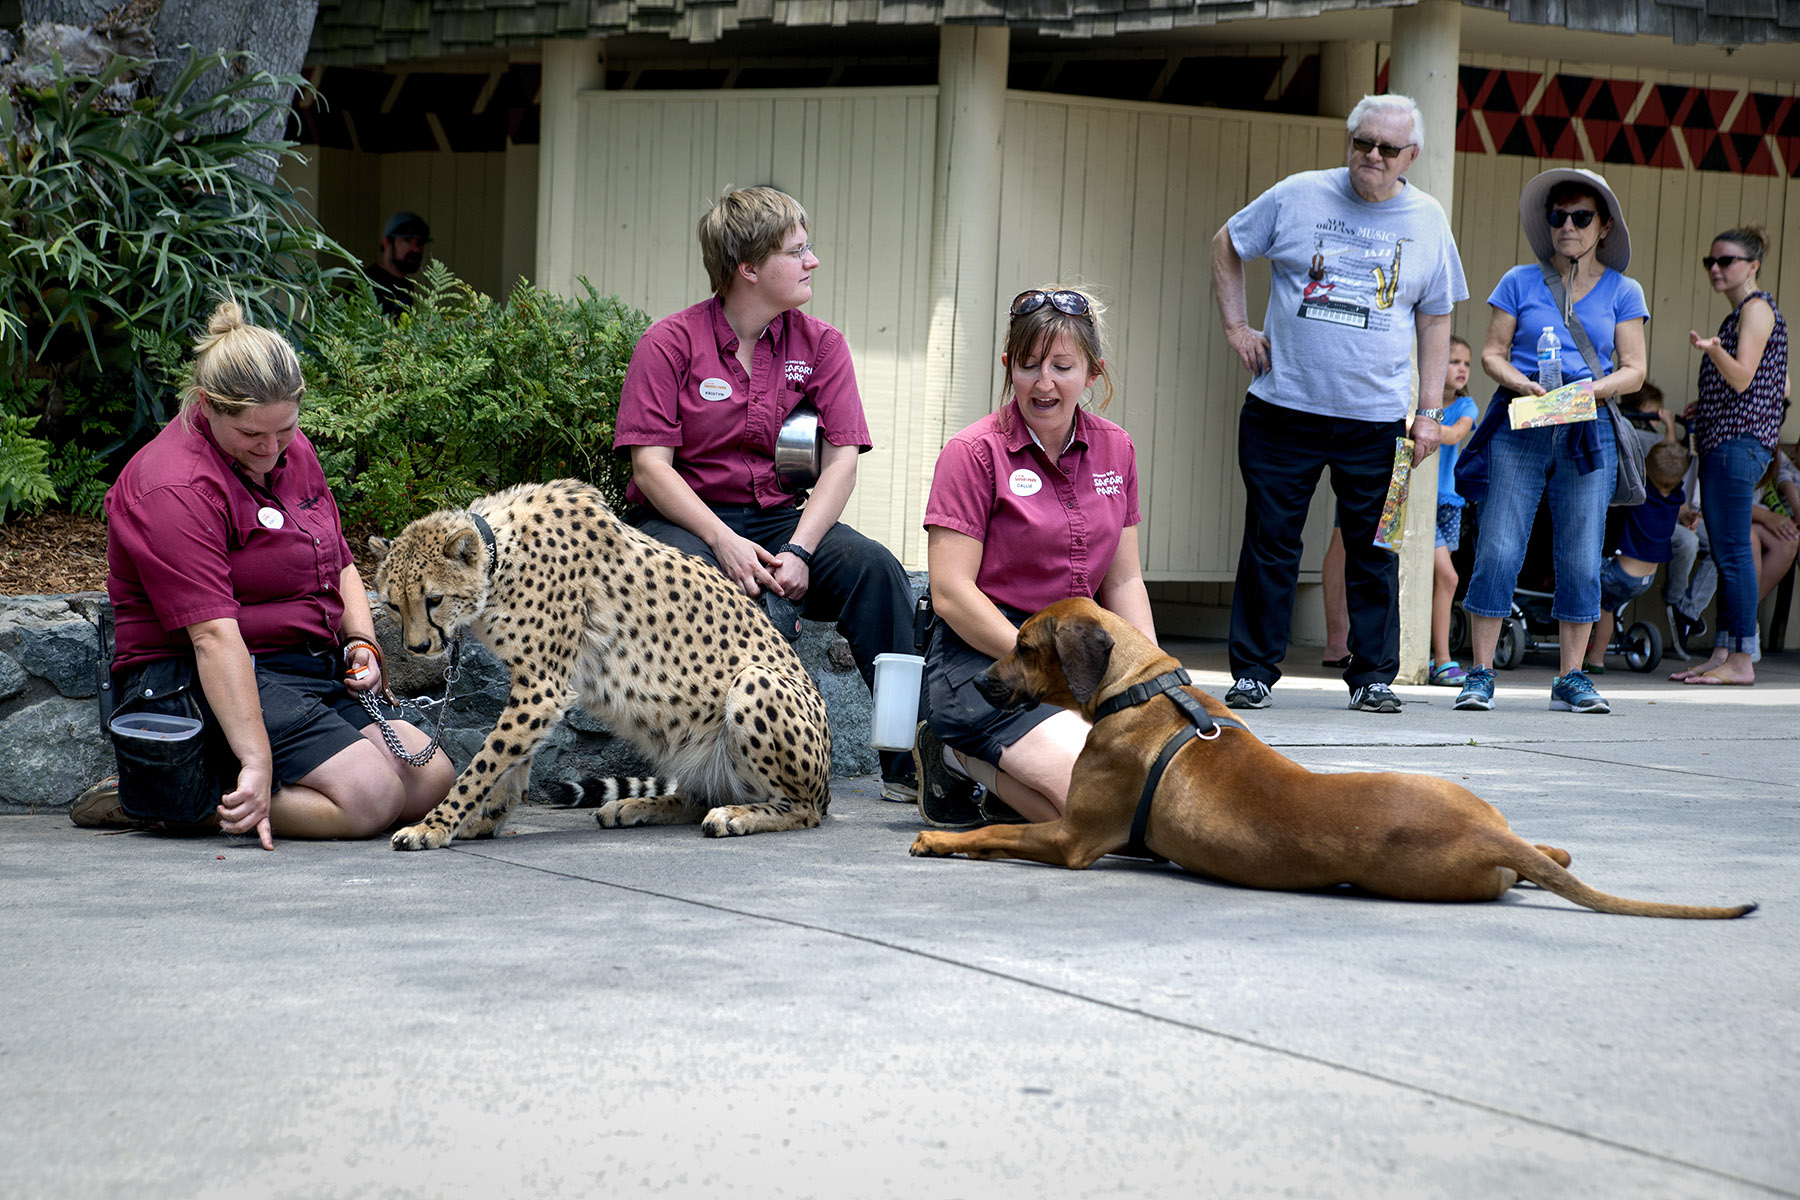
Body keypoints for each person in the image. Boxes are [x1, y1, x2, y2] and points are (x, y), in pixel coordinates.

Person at [78, 299, 454, 847]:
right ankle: (175, 796)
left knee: (431, 781)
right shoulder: (173, 488)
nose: (272, 449)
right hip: (197, 676)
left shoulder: (287, 448)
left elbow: (340, 559)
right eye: (254, 435)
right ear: (207, 406)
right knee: (371, 800)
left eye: (285, 430)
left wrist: (363, 645)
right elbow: (211, 636)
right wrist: (255, 760)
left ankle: (192, 788)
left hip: (303, 669)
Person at [612, 186, 917, 798]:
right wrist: (723, 540)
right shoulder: (669, 344)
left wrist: (802, 550)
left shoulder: (821, 345)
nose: (813, 262)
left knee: (877, 572)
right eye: (797, 251)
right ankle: (725, 770)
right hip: (688, 522)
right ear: (748, 268)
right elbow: (652, 469)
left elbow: (842, 463)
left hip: (782, 521)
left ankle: (908, 763)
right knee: (699, 579)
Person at [1210, 92, 1467, 713]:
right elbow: (1227, 243)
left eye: (1386, 148)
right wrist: (1237, 328)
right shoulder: (1296, 194)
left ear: (1411, 155)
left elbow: (1437, 318)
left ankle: (1374, 675)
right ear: (1349, 142)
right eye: (1362, 143)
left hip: (1378, 423)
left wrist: (1429, 413)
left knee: (1377, 546)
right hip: (1282, 411)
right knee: (1271, 541)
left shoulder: (1428, 219)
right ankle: (1252, 671)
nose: (1371, 156)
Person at [917, 285, 1154, 827]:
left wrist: (1153, 677)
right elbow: (952, 595)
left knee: (1144, 796)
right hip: (988, 662)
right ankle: (954, 754)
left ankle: (1015, 780)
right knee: (1105, 811)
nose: (1043, 383)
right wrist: (1047, 667)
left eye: (1062, 366)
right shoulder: (972, 453)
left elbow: (1124, 584)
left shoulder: (1117, 448)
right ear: (1008, 367)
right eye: (1028, 365)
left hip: (1078, 658)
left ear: (1092, 373)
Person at [1455, 168, 1647, 714]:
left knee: (1583, 556)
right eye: (1558, 216)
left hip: (1589, 426)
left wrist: (1588, 391)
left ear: (1603, 227)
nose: (1567, 225)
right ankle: (1480, 673)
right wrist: (1521, 383)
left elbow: (1634, 369)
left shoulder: (1623, 290)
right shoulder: (1519, 280)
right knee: (1497, 545)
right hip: (1522, 418)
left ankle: (1571, 677)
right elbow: (1493, 351)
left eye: (1580, 216)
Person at [1671, 225, 1788, 686]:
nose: (1716, 269)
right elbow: (1777, 385)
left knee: (1735, 552)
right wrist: (1712, 399)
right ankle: (1723, 650)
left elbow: (1742, 377)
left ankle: (1741, 659)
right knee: (1726, 552)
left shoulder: (1756, 310)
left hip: (1738, 444)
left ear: (1753, 265)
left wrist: (1716, 355)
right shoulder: (1744, 312)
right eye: (1711, 262)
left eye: (1727, 261)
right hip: (1728, 439)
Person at [1584, 417, 1688, 674]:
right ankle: (1595, 652)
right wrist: (1671, 429)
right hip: (1646, 579)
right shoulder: (1676, 495)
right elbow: (1672, 463)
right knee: (1607, 606)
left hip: (1619, 574)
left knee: (1592, 590)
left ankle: (1595, 659)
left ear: (1646, 472)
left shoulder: (1642, 494)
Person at [1428, 335, 1480, 685]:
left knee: (1442, 580)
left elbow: (1451, 435)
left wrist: (1412, 422)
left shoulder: (1466, 407)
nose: (1461, 369)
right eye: (1453, 361)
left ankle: (1437, 658)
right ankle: (1442, 659)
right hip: (1416, 503)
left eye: (1466, 363)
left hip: (1447, 503)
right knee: (1447, 577)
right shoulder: (1413, 398)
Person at [363, 211, 430, 317]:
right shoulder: (365, 284)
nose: (416, 249)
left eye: (420, 243)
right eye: (407, 240)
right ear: (386, 242)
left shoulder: (406, 284)